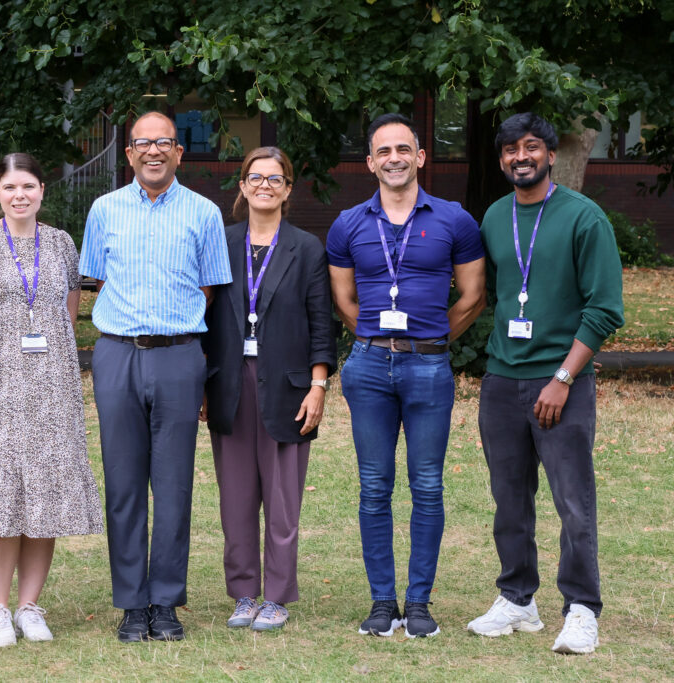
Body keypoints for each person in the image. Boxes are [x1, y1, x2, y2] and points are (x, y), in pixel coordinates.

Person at [466, 113, 624, 654]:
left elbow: (604, 310)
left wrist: (562, 378)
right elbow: (482, 291)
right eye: (511, 150)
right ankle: (518, 598)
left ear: (551, 155)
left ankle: (581, 609)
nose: (520, 157)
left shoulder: (584, 218)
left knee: (572, 501)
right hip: (501, 380)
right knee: (508, 499)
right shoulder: (492, 217)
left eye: (531, 147)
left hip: (562, 382)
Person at [326, 113, 486, 638]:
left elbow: (471, 297)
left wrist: (432, 342)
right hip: (368, 366)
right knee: (374, 487)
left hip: (429, 367)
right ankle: (380, 602)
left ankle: (418, 604)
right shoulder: (348, 224)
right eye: (383, 151)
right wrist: (380, 342)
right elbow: (345, 301)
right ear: (370, 162)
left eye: (404, 149)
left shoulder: (455, 220)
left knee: (428, 485)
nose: (394, 158)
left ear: (419, 157)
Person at [79, 112, 232, 642]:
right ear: (129, 154)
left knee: (173, 484)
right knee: (122, 484)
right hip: (118, 354)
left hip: (178, 356)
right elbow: (96, 277)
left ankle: (165, 602)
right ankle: (131, 602)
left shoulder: (204, 213)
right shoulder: (104, 210)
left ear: (178, 153)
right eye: (143, 143)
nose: (153, 151)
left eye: (163, 142)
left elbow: (211, 289)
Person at [0, 153, 103, 648]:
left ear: (42, 190)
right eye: (11, 186)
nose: (21, 195)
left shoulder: (60, 243)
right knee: (1, 495)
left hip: (53, 386)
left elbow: (68, 312)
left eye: (30, 186)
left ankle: (29, 607)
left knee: (45, 495)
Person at [201, 147, 335, 632]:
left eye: (275, 179)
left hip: (288, 386)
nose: (264, 185)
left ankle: (276, 596)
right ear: (241, 186)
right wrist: (201, 381)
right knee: (235, 498)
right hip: (230, 385)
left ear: (288, 188)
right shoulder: (221, 241)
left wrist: (319, 385)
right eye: (255, 177)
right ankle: (243, 593)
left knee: (283, 501)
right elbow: (204, 317)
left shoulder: (306, 247)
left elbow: (322, 323)